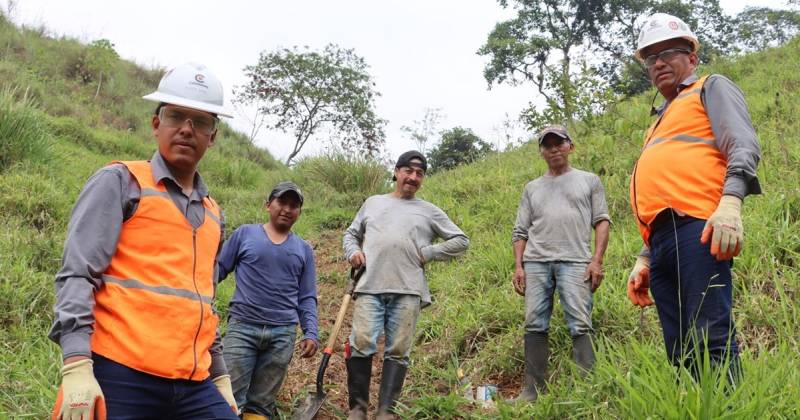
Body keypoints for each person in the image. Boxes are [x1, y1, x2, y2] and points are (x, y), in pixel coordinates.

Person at [48, 63, 239, 419]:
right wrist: (76, 365)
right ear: (156, 124)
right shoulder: (121, 183)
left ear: (212, 136)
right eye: (176, 116)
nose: (186, 129)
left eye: (200, 121)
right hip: (120, 372)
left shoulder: (214, 214)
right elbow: (76, 274)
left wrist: (221, 375)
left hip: (192, 382)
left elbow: (203, 303)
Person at [626, 13, 761, 384]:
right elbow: (664, 188)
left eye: (670, 52)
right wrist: (644, 257)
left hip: (700, 228)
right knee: (680, 347)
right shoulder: (659, 120)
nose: (659, 62)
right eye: (651, 57)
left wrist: (731, 203)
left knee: (710, 337)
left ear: (692, 58)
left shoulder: (710, 87)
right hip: (662, 241)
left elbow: (743, 144)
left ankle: (728, 409)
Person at [342, 151, 469, 420]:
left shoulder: (428, 210)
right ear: (397, 172)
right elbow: (351, 234)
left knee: (398, 350)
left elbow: (461, 240)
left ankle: (386, 410)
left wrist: (429, 253)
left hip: (409, 289)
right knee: (362, 342)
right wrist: (353, 252)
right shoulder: (373, 203)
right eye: (408, 171)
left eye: (419, 173)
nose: (413, 177)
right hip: (369, 284)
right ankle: (358, 408)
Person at [510, 125, 611, 401]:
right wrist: (519, 266)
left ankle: (587, 392)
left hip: (576, 260)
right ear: (541, 152)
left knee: (580, 322)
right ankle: (532, 390)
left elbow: (601, 221)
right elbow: (520, 231)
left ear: (570, 146)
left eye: (559, 143)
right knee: (534, 323)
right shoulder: (532, 188)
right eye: (548, 145)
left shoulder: (589, 180)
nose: (554, 148)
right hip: (536, 262)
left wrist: (597, 260)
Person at [217, 181, 318, 420]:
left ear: (299, 213)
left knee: (261, 403)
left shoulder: (303, 249)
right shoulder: (245, 234)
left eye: (294, 205)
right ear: (268, 205)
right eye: (282, 202)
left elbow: (307, 296)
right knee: (228, 397)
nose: (287, 209)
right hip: (243, 327)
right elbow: (218, 270)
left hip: (282, 334)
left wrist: (311, 332)